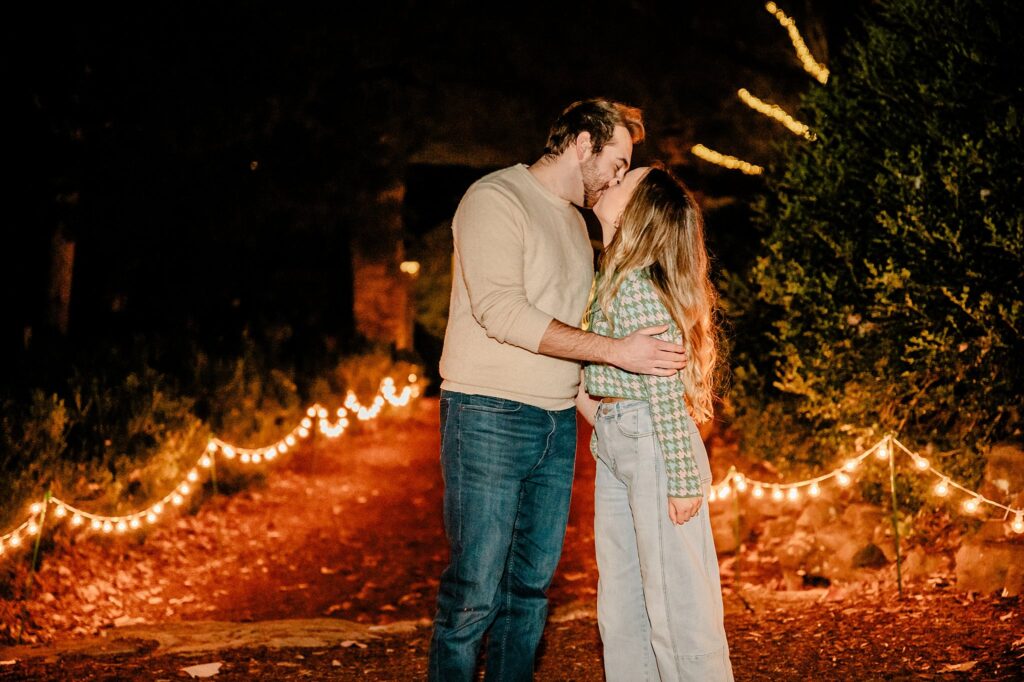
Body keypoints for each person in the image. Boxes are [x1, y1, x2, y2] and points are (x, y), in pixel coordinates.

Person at [429, 99, 689, 681]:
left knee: (530, 590)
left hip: (555, 423)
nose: (621, 176)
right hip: (487, 412)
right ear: (581, 143)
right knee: (474, 590)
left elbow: (575, 325)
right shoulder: (494, 199)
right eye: (617, 161)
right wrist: (618, 352)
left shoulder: (578, 225)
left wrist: (605, 412)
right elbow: (501, 312)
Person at [576, 166, 734, 681]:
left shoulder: (639, 288)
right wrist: (601, 416)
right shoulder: (615, 277)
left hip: (657, 446)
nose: (611, 177)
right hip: (622, 441)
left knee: (676, 600)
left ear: (636, 212)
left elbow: (664, 391)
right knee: (623, 599)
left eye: (624, 178)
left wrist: (685, 478)